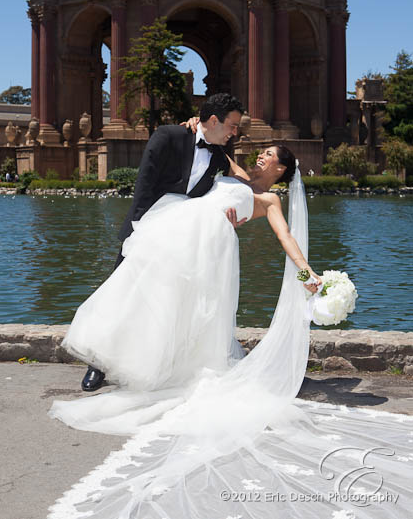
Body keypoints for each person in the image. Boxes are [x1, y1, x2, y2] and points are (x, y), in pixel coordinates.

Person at [47, 148, 413, 519]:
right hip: (180, 230)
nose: (260, 156)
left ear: (280, 169)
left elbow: (285, 239)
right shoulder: (232, 170)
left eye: (269, 154)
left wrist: (307, 275)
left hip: (212, 250)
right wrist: (194, 125)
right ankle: (113, 358)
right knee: (144, 294)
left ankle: (171, 368)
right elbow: (208, 146)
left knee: (198, 317)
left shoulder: (269, 199)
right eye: (262, 151)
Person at [81, 92, 245, 392]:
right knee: (121, 296)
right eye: (232, 125)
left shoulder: (220, 153)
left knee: (163, 303)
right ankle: (98, 364)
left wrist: (234, 210)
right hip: (145, 230)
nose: (236, 131)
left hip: (181, 240)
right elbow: (145, 184)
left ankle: (153, 366)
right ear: (213, 120)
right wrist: (138, 231)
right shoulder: (168, 136)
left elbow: (241, 184)